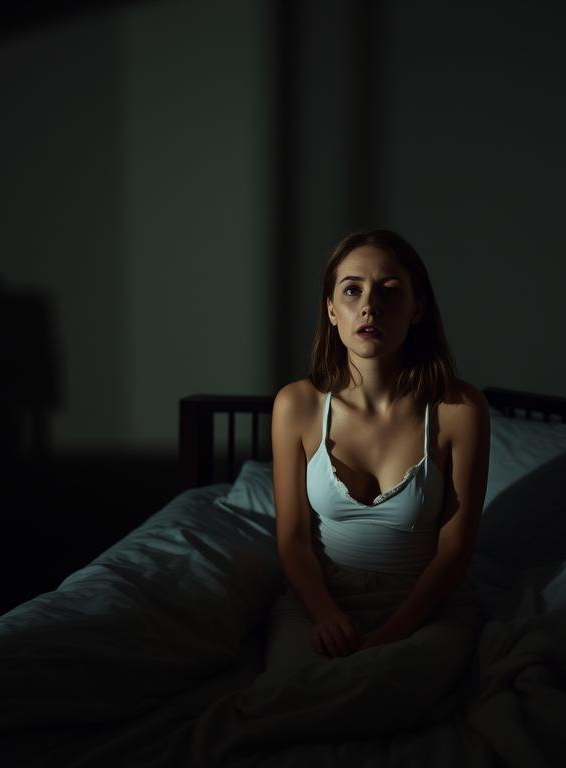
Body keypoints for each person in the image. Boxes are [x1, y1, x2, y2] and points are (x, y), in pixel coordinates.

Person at [190, 229, 490, 762]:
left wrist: (395, 633)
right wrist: (325, 613)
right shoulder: (297, 406)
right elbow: (292, 540)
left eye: (390, 290)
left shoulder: (458, 409)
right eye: (352, 290)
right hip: (319, 600)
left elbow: (455, 552)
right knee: (296, 685)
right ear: (331, 310)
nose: (369, 305)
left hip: (423, 604)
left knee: (404, 678)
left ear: (418, 308)